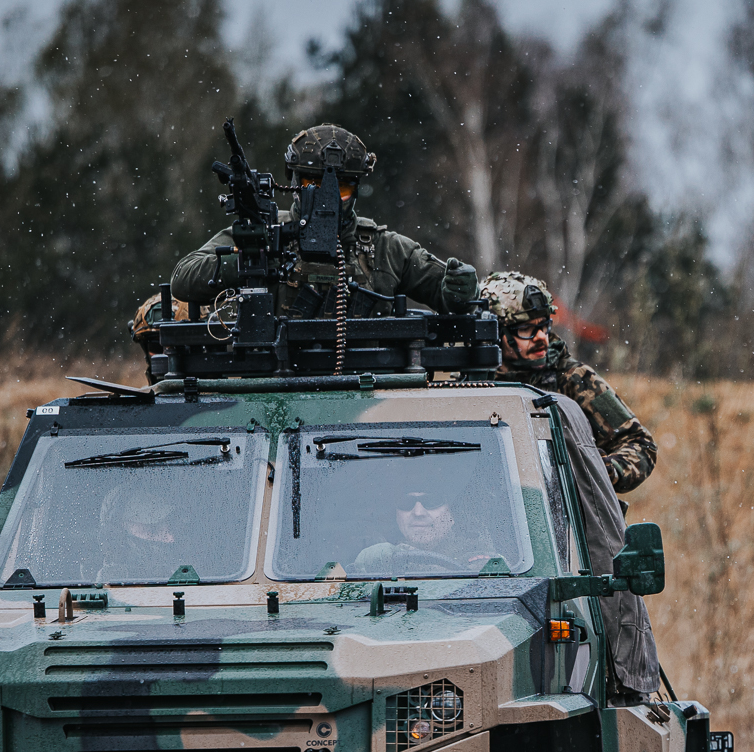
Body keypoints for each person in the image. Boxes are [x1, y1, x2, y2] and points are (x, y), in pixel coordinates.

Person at [170, 124, 478, 316]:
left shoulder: (387, 249)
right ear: (295, 183)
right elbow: (183, 278)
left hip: (371, 394)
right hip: (278, 391)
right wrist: (249, 260)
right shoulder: (265, 233)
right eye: (313, 185)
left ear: (355, 190)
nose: (326, 198)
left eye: (340, 188)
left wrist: (459, 289)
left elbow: (449, 296)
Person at [482, 272, 657, 495]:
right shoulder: (472, 384)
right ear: (496, 334)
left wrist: (605, 471)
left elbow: (640, 444)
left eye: (544, 326)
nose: (541, 337)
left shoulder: (573, 378)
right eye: (526, 329)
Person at [352, 484, 499, 575]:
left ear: (452, 513)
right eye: (406, 502)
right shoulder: (375, 552)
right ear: (396, 515)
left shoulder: (476, 549)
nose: (418, 512)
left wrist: (402, 559)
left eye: (432, 501)